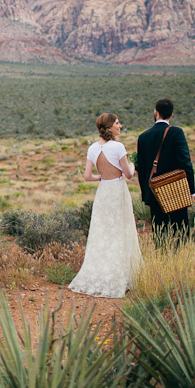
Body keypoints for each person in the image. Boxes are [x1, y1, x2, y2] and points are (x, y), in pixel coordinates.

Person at [67, 113, 142, 298]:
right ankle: (122, 274)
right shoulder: (118, 147)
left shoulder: (92, 148)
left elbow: (87, 177)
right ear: (109, 127)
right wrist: (133, 166)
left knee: (103, 232)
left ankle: (100, 272)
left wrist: (101, 177)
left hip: (103, 192)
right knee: (121, 230)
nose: (120, 125)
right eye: (117, 123)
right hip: (117, 190)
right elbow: (128, 175)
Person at [136, 98, 195, 230]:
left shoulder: (143, 137)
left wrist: (146, 195)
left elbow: (142, 169)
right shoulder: (177, 133)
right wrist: (191, 191)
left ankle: (162, 251)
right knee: (180, 230)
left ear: (156, 113)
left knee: (160, 232)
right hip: (176, 189)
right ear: (171, 115)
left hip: (154, 191)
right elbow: (186, 163)